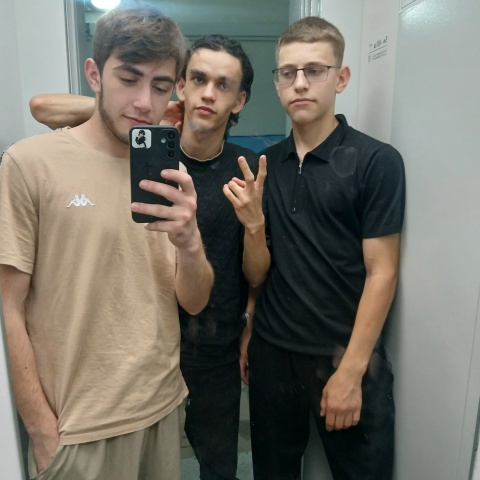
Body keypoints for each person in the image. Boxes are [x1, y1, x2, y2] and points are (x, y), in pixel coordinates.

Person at [29, 34, 266, 480]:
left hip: (215, 349)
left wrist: (254, 227)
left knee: (219, 469)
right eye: (198, 79)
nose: (208, 94)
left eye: (222, 85)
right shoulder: (145, 154)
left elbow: (255, 274)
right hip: (147, 348)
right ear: (181, 86)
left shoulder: (247, 168)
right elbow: (42, 107)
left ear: (239, 101)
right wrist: (148, 116)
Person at [0, 7, 214, 480]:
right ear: (94, 75)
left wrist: (190, 243)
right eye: (129, 79)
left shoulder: (172, 174)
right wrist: (39, 428)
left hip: (161, 409)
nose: (143, 102)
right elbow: (8, 305)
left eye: (160, 86)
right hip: (78, 428)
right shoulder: (29, 164)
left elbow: (195, 302)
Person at [224, 16, 405, 480]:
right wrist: (250, 324)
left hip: (343, 356)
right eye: (288, 72)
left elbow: (383, 272)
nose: (300, 83)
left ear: (340, 78)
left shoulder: (376, 161)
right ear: (277, 83)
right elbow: (259, 272)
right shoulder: (267, 165)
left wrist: (351, 372)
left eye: (315, 70)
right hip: (272, 354)